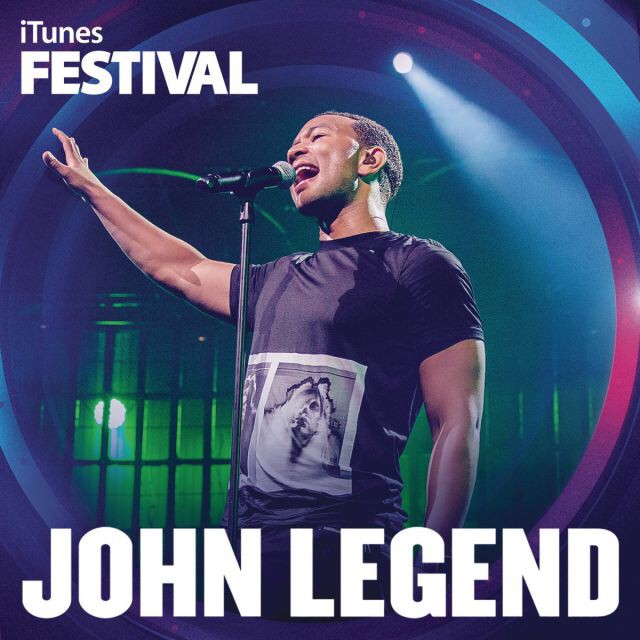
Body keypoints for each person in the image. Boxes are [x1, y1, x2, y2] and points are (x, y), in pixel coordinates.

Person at [43, 111, 485, 617]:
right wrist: (92, 189)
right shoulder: (276, 277)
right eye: (293, 142)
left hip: (348, 544)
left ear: (370, 159)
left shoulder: (419, 264)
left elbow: (458, 420)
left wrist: (433, 556)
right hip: (246, 551)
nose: (295, 150)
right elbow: (179, 267)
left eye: (316, 137)